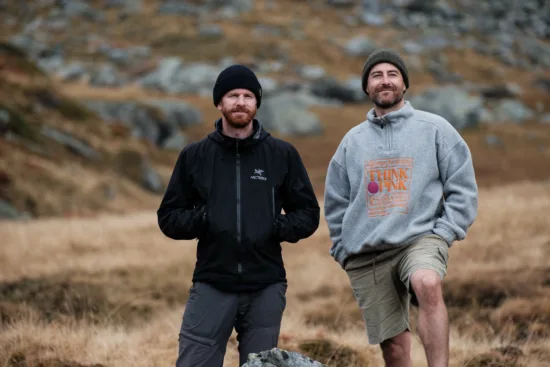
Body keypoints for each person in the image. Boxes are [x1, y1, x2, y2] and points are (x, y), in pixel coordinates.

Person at [157, 64, 320, 367]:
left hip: (266, 286)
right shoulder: (195, 156)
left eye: (248, 95)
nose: (241, 102)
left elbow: (308, 213)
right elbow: (168, 216)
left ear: (257, 103)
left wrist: (274, 226)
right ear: (219, 102)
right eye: (233, 95)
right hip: (212, 282)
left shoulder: (281, 154)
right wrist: (205, 218)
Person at [323, 49, 478, 367]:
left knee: (427, 282)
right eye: (376, 75)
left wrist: (445, 231)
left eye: (392, 74)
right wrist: (342, 248)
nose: (385, 81)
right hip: (368, 251)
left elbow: (462, 187)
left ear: (404, 84)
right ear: (367, 87)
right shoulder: (352, 142)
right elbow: (335, 201)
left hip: (420, 238)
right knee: (394, 350)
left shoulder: (435, 129)